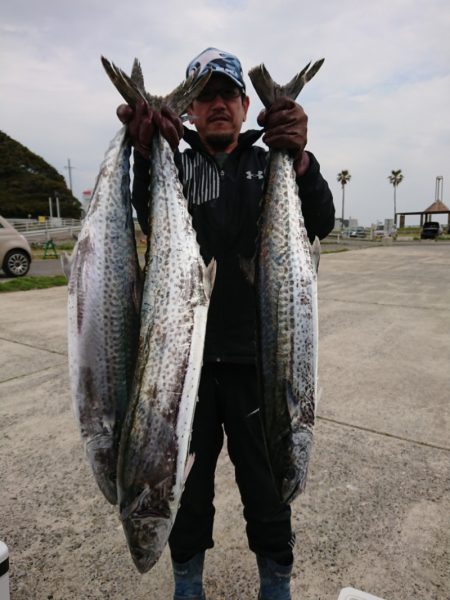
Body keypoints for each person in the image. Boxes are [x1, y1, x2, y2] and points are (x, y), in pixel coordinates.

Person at [117, 47, 335, 600]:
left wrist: (300, 158)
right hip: (183, 365)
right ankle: (187, 582)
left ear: (245, 106)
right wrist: (147, 153)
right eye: (205, 96)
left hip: (259, 360)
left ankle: (276, 583)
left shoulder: (271, 161)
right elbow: (147, 211)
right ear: (190, 111)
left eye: (227, 96)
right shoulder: (177, 162)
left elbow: (323, 221)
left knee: (267, 486)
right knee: (185, 490)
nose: (217, 105)